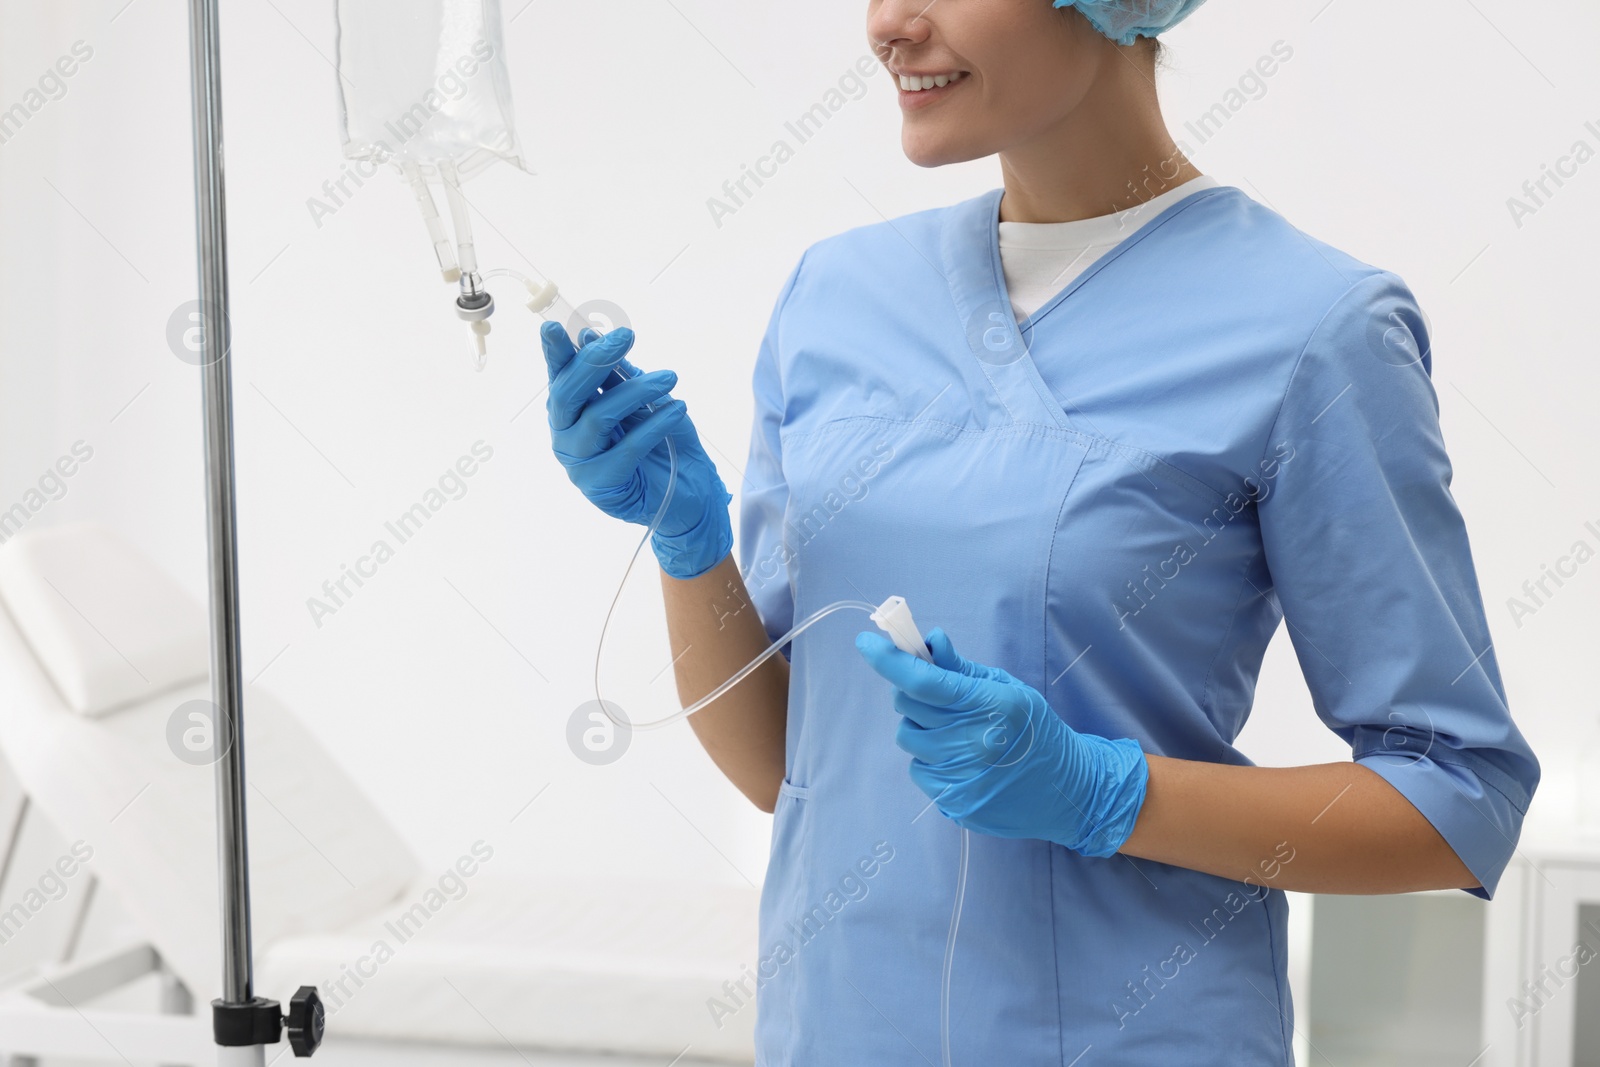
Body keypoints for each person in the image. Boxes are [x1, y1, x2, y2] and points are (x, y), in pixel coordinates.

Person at [538, 0, 1541, 1062]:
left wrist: (1106, 791)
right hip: (835, 1028)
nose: (886, 24)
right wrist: (689, 547)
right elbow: (801, 770)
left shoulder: (1311, 328)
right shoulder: (834, 295)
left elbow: (1456, 797)